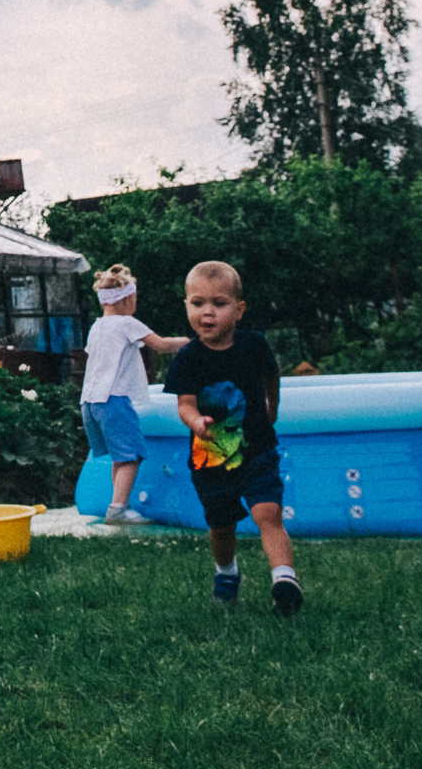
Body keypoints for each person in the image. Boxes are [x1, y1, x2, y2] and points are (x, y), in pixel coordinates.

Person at [163, 260, 303, 616]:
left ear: (239, 310)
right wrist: (196, 422)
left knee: (268, 512)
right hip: (212, 457)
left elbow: (272, 373)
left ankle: (284, 580)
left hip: (257, 448)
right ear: (187, 307)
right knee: (222, 527)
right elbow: (184, 403)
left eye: (219, 303)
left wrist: (273, 407)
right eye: (198, 303)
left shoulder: (253, 346)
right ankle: (227, 572)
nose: (207, 312)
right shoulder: (188, 358)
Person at [80, 264, 188, 524]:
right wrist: (189, 341)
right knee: (131, 456)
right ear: (127, 298)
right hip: (113, 400)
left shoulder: (97, 327)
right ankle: (118, 509)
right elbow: (161, 345)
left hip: (89, 403)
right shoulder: (127, 323)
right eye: (135, 299)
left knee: (120, 456)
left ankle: (116, 505)